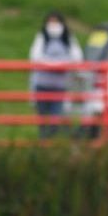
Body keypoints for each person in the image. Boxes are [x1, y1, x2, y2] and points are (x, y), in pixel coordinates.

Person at [28, 11, 83, 139]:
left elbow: (77, 58)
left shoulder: (68, 38)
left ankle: (51, 141)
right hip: (42, 84)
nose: (53, 25)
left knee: (55, 118)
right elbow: (35, 57)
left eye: (56, 21)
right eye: (50, 22)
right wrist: (54, 65)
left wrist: (60, 65)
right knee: (42, 118)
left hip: (60, 86)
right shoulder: (42, 37)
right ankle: (44, 142)